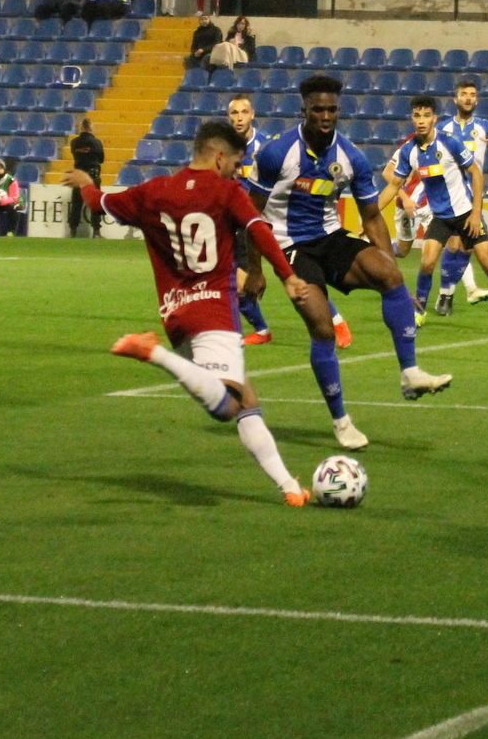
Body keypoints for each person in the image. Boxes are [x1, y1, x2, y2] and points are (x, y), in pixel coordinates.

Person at [67, 121, 314, 507]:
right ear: (218, 157)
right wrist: (288, 275)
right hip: (214, 311)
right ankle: (151, 352)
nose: (238, 169)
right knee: (229, 406)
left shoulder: (152, 191)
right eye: (236, 162)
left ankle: (289, 487)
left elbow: (97, 201)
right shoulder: (227, 191)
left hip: (176, 316)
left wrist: (84, 181)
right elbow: (258, 228)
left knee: (247, 398)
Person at [244, 74, 456, 450]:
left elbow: (373, 218)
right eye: (318, 109)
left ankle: (410, 372)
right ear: (305, 110)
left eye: (331, 109)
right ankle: (341, 422)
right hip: (289, 246)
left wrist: (396, 278)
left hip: (329, 237)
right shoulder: (277, 153)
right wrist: (257, 270)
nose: (325, 116)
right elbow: (251, 214)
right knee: (324, 330)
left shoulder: (350, 156)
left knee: (389, 273)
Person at [377, 95, 488, 337]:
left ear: (434, 119)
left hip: (466, 214)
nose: (421, 120)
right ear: (412, 119)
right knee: (426, 262)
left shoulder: (451, 143)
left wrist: (477, 213)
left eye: (426, 116)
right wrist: (370, 213)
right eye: (417, 115)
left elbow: (476, 174)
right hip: (442, 218)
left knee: (487, 262)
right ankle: (419, 313)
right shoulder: (409, 151)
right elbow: (393, 185)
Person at [227, 93, 352, 349]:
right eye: (234, 113)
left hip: (272, 223)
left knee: (291, 276)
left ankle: (336, 319)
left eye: (243, 112)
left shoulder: (267, 148)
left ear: (252, 115)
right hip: (238, 223)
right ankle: (261, 330)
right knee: (233, 279)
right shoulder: (224, 148)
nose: (239, 118)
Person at [434, 78, 488, 314]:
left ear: (476, 99)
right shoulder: (443, 127)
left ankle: (446, 294)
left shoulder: (485, 126)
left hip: (474, 194)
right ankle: (445, 296)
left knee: (465, 248)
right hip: (451, 193)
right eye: (464, 94)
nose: (468, 97)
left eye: (472, 94)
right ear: (455, 99)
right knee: (456, 244)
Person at [66, 119, 105, 237]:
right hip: (93, 175)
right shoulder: (97, 143)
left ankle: (73, 230)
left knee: (76, 204)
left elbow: (75, 154)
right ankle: (96, 231)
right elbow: (101, 159)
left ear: (81, 127)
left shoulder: (74, 142)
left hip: (79, 175)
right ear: (91, 128)